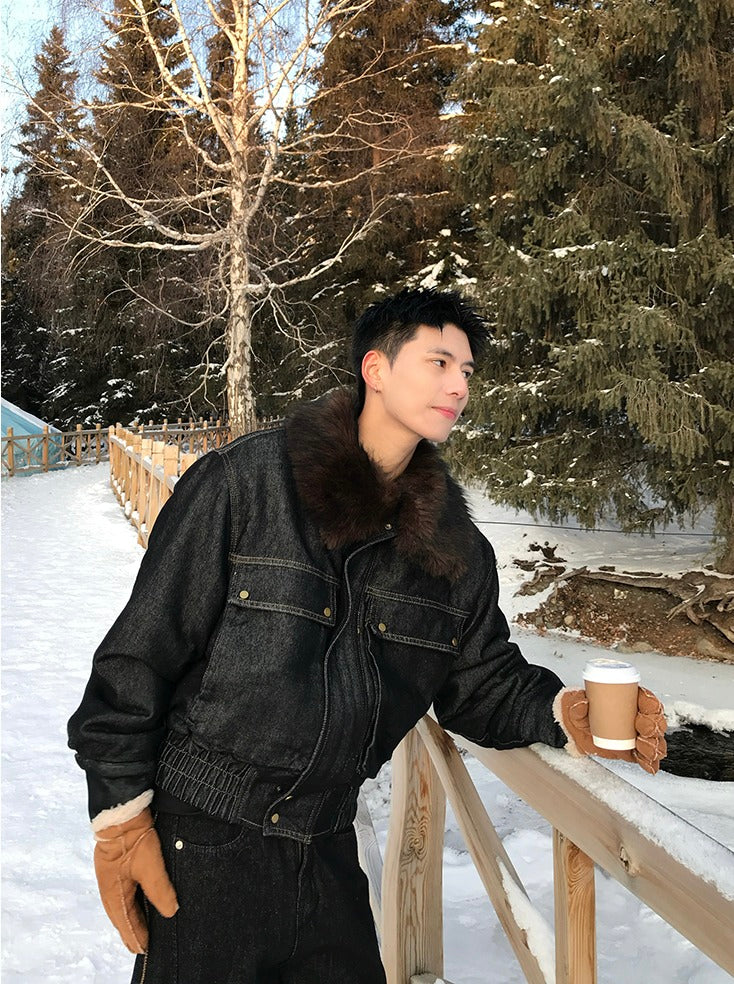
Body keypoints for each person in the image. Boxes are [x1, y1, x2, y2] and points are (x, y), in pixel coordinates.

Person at [68, 288, 667, 984]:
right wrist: (120, 820)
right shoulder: (245, 485)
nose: (458, 385)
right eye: (439, 362)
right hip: (205, 841)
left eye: (467, 371)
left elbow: (480, 683)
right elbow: (139, 655)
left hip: (328, 850)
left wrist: (565, 713)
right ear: (375, 369)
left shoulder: (456, 552)